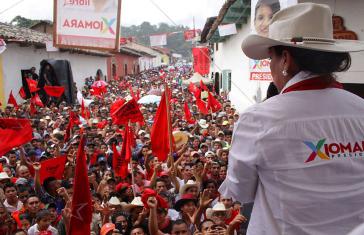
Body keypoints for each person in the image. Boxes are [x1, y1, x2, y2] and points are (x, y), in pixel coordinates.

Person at [220, 3, 364, 235]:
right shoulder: (360, 108)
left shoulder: (259, 119)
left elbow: (240, 192)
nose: (271, 67)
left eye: (270, 59)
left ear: (285, 59)